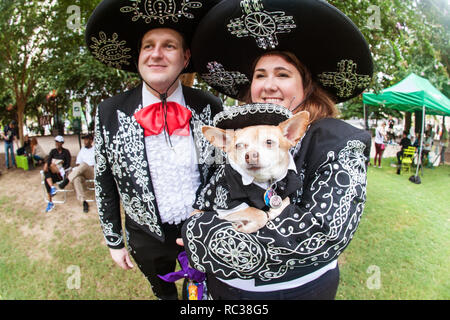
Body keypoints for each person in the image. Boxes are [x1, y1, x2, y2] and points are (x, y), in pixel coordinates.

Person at [180, 0, 373, 300]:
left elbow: (323, 234)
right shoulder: (240, 136)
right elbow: (211, 195)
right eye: (260, 75)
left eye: (282, 74)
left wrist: (197, 234)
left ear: (306, 85)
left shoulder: (339, 140)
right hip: (223, 292)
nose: (269, 85)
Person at [86, 0, 222, 300]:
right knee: (163, 292)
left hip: (201, 229)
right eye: (148, 46)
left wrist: (211, 221)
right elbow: (104, 181)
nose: (156, 53)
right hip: (144, 236)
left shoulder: (210, 106)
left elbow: (221, 171)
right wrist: (114, 241)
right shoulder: (109, 111)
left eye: (168, 46)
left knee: (200, 293)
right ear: (138, 57)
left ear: (186, 57)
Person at [58, 134, 95, 213]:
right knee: (76, 179)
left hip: (92, 172)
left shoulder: (95, 149)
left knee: (84, 164)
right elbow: (78, 163)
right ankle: (84, 202)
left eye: (86, 140)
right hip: (83, 172)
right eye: (84, 140)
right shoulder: (82, 150)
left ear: (91, 141)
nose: (84, 141)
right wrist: (81, 168)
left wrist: (85, 166)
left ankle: (67, 180)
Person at [43, 135, 71, 213]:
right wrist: (48, 164)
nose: (57, 143)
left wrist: (60, 167)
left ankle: (52, 190)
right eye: (56, 142)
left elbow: (68, 164)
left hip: (61, 173)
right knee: (46, 176)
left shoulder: (66, 152)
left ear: (62, 143)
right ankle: (51, 201)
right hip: (53, 173)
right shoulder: (53, 151)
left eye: (58, 142)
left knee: (49, 168)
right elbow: (48, 161)